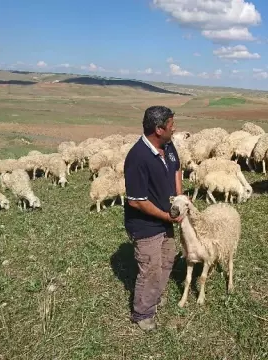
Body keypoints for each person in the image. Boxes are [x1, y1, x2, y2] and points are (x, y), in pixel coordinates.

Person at [123, 105, 184, 331]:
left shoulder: (167, 146)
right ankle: (142, 313)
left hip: (166, 218)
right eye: (171, 125)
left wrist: (178, 197)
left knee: (167, 260)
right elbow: (136, 201)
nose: (174, 129)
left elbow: (177, 167)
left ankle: (154, 297)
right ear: (159, 129)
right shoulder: (137, 157)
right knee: (150, 268)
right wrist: (166, 216)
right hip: (146, 224)